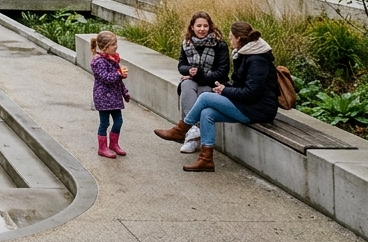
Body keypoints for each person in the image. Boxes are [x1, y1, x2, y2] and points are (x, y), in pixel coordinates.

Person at [155, 22, 279, 173]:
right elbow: (242, 86)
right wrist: (225, 88)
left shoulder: (257, 60)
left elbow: (251, 93)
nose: (229, 38)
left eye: (231, 36)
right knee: (207, 113)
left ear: (239, 38)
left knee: (206, 97)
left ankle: (181, 130)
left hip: (259, 109)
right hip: (248, 104)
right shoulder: (245, 54)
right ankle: (206, 160)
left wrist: (225, 90)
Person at [174, 12, 230, 154]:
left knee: (203, 91)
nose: (202, 29)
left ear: (210, 27)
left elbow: (223, 71)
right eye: (198, 26)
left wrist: (198, 77)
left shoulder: (219, 44)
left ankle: (192, 135)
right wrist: (189, 70)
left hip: (212, 82)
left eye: (205, 26)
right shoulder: (186, 43)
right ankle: (194, 132)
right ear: (192, 27)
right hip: (193, 79)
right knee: (186, 85)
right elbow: (181, 65)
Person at [90, 31, 130, 158]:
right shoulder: (99, 62)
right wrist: (119, 73)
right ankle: (102, 147)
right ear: (105, 47)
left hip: (114, 97)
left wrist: (124, 91)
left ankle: (114, 144)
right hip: (104, 97)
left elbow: (116, 80)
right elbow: (106, 78)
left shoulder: (113, 59)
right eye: (113, 44)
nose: (116, 46)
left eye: (116, 43)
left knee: (118, 121)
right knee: (104, 123)